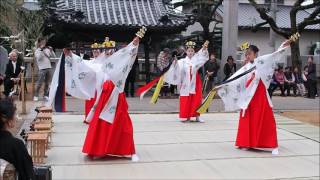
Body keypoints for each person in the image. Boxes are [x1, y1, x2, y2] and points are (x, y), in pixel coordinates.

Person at [47, 35, 141, 161]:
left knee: (123, 125)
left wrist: (134, 45)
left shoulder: (120, 61)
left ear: (115, 50)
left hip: (117, 97)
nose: (109, 51)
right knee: (101, 125)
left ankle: (129, 151)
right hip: (103, 97)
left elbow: (129, 56)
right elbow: (83, 66)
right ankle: (98, 149)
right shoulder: (97, 65)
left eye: (111, 49)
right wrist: (70, 55)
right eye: (106, 49)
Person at [217, 41, 291, 155]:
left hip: (259, 93)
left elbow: (274, 55)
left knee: (266, 118)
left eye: (249, 53)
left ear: (255, 54)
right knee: (248, 118)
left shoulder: (262, 61)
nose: (247, 56)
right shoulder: (246, 67)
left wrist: (283, 46)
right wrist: (222, 86)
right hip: (248, 95)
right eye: (246, 54)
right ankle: (247, 142)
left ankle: (272, 144)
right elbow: (235, 79)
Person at [164, 41, 209, 122]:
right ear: (186, 52)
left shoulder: (196, 59)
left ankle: (197, 117)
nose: (190, 52)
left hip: (195, 81)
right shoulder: (183, 61)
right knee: (187, 99)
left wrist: (204, 49)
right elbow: (177, 68)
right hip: (186, 82)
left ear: (194, 51)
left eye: (192, 51)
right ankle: (187, 116)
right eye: (189, 51)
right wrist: (175, 62)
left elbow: (203, 56)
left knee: (197, 99)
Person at [0, 99, 35, 179]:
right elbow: (28, 175)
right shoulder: (16, 145)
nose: (16, 117)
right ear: (8, 121)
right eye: (14, 115)